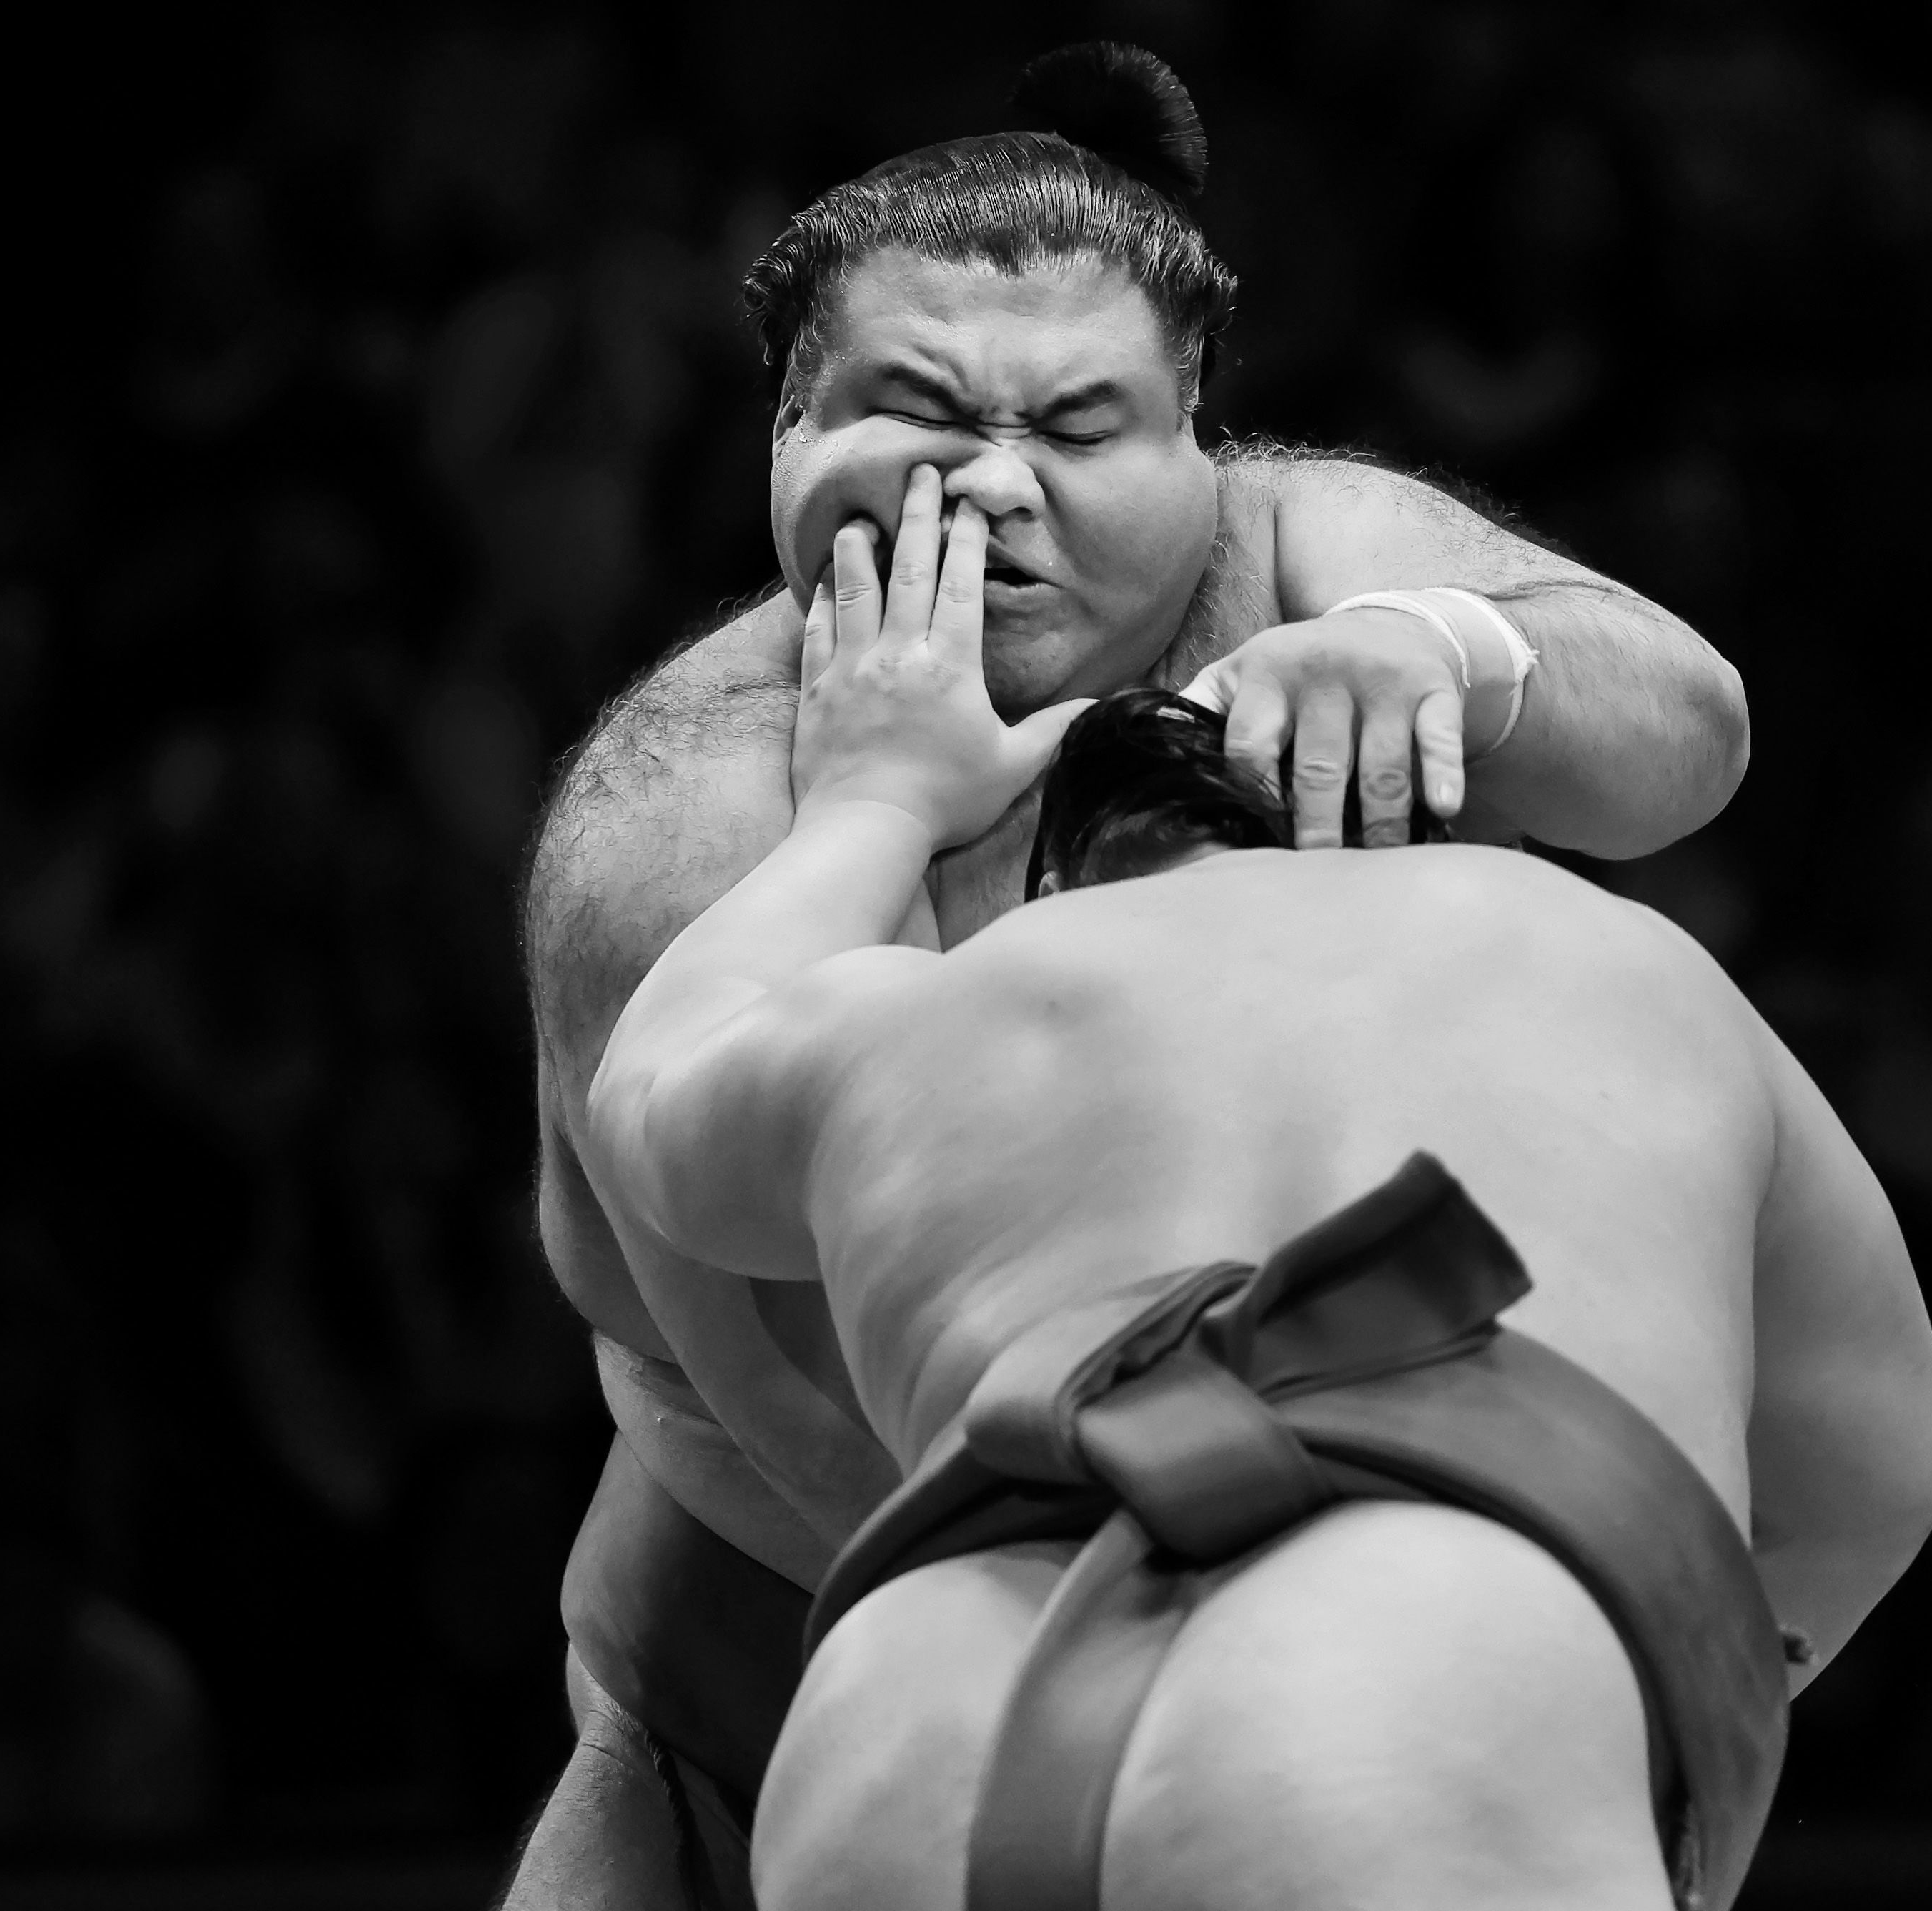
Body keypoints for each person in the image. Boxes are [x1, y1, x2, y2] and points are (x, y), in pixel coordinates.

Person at [510, 43, 1754, 1907]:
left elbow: (1687, 736)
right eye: (915, 409)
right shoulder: (693, 820)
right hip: (808, 1623)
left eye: (1082, 430)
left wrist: (1449, 648)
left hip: (1362, 1559)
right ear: (785, 416)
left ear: (1198, 440)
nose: (995, 485)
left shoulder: (1292, 547)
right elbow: (798, 1396)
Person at [577, 495, 1932, 1910]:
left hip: (925, 1703)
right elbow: (1886, 1470)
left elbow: (647, 1092)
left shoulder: (933, 1010)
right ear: (1419, 826)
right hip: (1420, 1656)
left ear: (1067, 875)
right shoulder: (1630, 968)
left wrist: (876, 804)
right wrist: (1645, 1728)